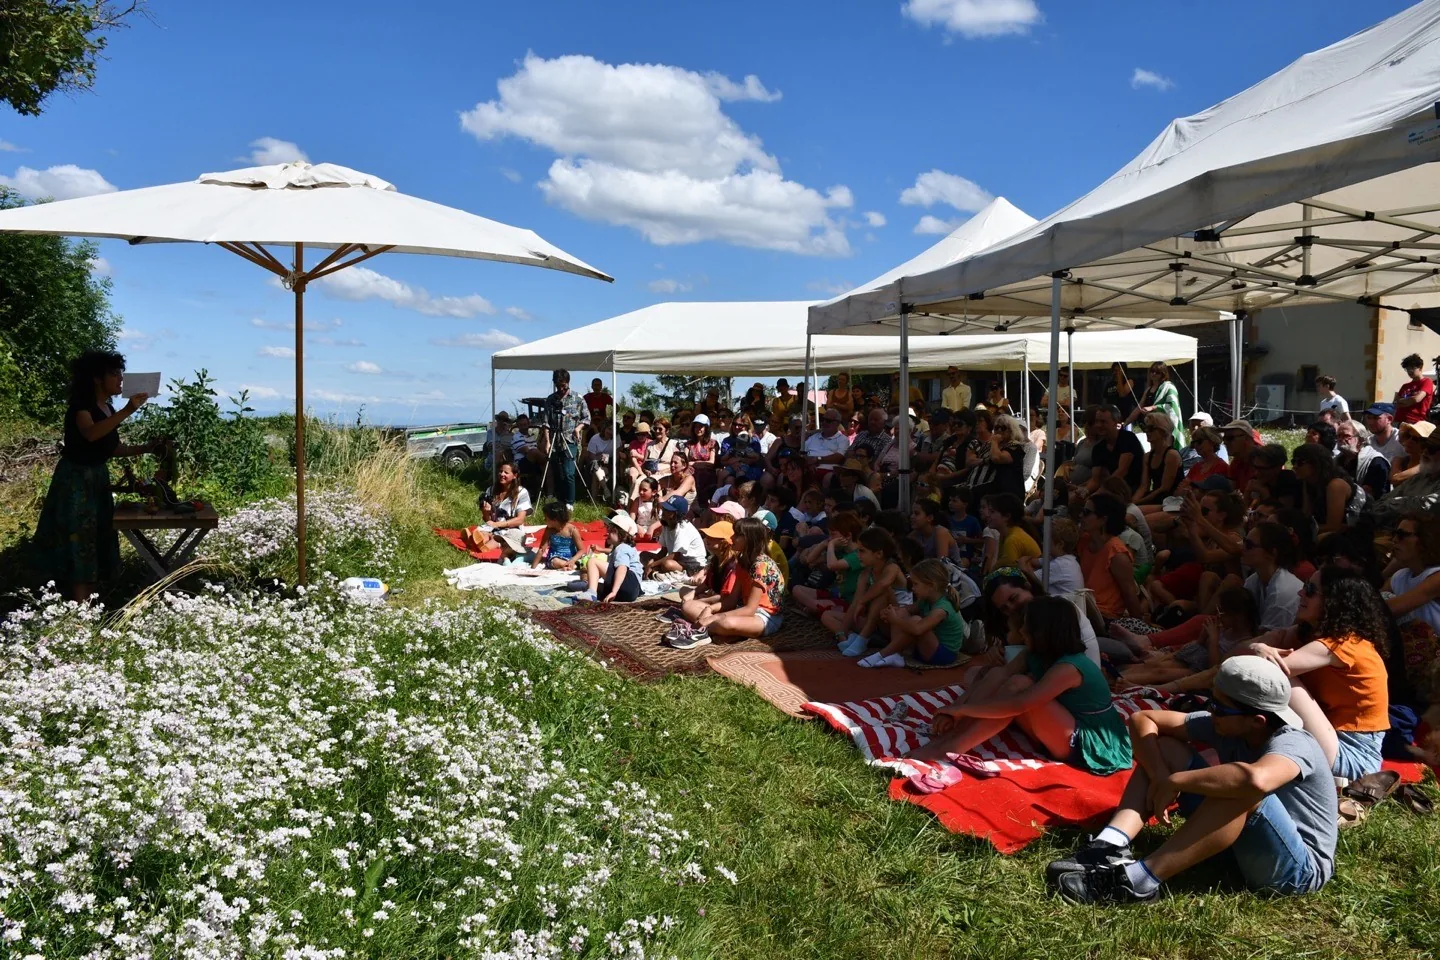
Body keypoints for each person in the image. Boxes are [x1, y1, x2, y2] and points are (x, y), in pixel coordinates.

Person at [1048, 656, 1337, 904]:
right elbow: (1143, 720)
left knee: (1241, 786)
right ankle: (1110, 845)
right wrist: (1160, 775)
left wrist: (1175, 781)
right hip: (1243, 850)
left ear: (1257, 721)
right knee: (1165, 748)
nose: (1211, 712)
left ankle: (1138, 882)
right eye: (1211, 701)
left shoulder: (1295, 744)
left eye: (1219, 708)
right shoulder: (1230, 725)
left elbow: (1256, 780)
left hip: (1297, 872)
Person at [909, 596, 1132, 774]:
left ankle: (950, 749)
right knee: (1004, 677)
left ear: (1043, 632)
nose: (1022, 631)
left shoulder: (1070, 667)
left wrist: (962, 710)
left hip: (1090, 742)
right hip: (1059, 726)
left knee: (1019, 687)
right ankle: (950, 739)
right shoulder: (1034, 654)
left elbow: (1019, 704)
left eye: (1026, 626)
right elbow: (999, 675)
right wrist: (954, 712)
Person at [34, 350, 162, 600]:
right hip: (76, 481)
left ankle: (89, 601)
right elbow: (92, 434)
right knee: (79, 538)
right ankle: (79, 606)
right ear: (96, 378)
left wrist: (148, 448)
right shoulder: (81, 408)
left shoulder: (107, 408)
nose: (120, 379)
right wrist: (128, 410)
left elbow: (112, 448)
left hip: (97, 479)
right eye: (114, 374)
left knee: (96, 535)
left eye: (121, 374)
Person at [1247, 566, 1390, 779]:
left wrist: (1259, 649)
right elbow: (1236, 655)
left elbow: (1263, 670)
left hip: (1353, 756)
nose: (1300, 593)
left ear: (1334, 601)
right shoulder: (1310, 635)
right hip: (1329, 737)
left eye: (1311, 590)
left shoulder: (1342, 644)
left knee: (1281, 676)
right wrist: (1261, 644)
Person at [869, 559, 968, 668]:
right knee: (901, 613)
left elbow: (918, 629)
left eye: (916, 584)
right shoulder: (925, 600)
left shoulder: (942, 608)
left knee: (916, 621)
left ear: (931, 585)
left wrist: (895, 620)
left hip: (943, 654)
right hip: (927, 647)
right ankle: (896, 654)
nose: (913, 588)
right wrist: (890, 612)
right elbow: (906, 610)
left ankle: (884, 653)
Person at [825, 526, 908, 655]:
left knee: (883, 592)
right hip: (878, 623)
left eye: (862, 551)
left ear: (879, 554)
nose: (858, 555)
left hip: (898, 625)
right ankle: (851, 637)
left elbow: (882, 584)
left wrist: (862, 602)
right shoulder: (865, 573)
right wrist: (841, 633)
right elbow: (855, 602)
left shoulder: (892, 567)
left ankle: (862, 639)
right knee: (828, 615)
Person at [1078, 492, 1144, 621]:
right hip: (1083, 608)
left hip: (1104, 617)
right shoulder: (1084, 541)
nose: (1081, 516)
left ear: (1103, 519)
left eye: (1086, 512)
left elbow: (1129, 594)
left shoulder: (1117, 554)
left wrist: (1139, 625)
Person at [1292, 442, 1362, 535]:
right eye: (1293, 462)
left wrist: (1299, 530)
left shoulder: (1335, 485)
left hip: (1356, 533)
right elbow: (1307, 516)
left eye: (1300, 462)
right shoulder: (1308, 482)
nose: (1295, 466)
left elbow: (1333, 527)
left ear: (1316, 464)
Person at [579, 511, 645, 603]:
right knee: (595, 586)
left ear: (622, 534)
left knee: (592, 561)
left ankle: (591, 593)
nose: (607, 533)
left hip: (628, 583)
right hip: (632, 590)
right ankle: (589, 588)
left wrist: (614, 591)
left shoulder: (622, 548)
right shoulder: (625, 548)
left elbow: (622, 568)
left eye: (611, 531)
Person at [471, 460, 532, 558]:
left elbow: (520, 520)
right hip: (493, 527)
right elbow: (487, 520)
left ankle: (489, 543)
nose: (502, 474)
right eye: (500, 471)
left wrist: (497, 524)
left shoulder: (521, 493)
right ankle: (485, 538)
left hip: (511, 530)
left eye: (506, 472)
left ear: (515, 475)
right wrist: (485, 512)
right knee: (480, 534)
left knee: (491, 542)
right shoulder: (491, 490)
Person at [1018, 516, 1085, 597]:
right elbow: (1034, 562)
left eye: (1047, 540)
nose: (1043, 542)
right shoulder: (1059, 558)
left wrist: (1023, 562)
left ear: (1060, 544)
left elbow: (1026, 574)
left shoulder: (1061, 565)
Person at [643, 496, 707, 579]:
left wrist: (652, 565)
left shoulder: (683, 528)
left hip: (693, 565)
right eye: (664, 508)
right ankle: (655, 571)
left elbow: (675, 556)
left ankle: (658, 572)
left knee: (667, 564)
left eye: (667, 510)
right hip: (678, 561)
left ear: (676, 514)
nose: (663, 511)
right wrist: (652, 562)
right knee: (644, 555)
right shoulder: (666, 525)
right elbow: (663, 551)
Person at [1085, 405, 1144, 494]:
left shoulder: (1128, 438)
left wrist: (1099, 493)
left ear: (1116, 422)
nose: (1098, 425)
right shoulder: (1098, 448)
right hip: (1110, 490)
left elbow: (1122, 472)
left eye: (1103, 422)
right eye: (1097, 421)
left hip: (1130, 490)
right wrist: (1082, 491)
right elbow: (1095, 480)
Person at [979, 492, 1041, 574]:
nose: (988, 515)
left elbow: (1006, 573)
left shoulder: (1013, 539)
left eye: (992, 512)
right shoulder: (1005, 535)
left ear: (1007, 516)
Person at [1134, 412, 1183, 506]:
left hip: (1172, 501)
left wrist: (1137, 503)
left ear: (1163, 431)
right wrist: (1132, 502)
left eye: (1150, 428)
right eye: (1145, 428)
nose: (1147, 432)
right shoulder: (1147, 456)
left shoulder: (1172, 455)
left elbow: (1164, 489)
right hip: (1156, 498)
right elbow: (1144, 486)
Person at [1336, 418, 1391, 498]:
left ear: (1360, 440)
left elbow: (1376, 495)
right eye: (1338, 436)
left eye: (1346, 436)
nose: (1340, 439)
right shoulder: (1337, 460)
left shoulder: (1375, 462)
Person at [530, 502, 583, 571]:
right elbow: (542, 549)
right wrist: (532, 568)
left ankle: (568, 566)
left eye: (546, 518)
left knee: (585, 559)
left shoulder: (572, 529)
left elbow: (581, 550)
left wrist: (573, 560)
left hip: (571, 557)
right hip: (555, 557)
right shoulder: (549, 530)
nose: (544, 520)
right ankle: (570, 566)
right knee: (555, 561)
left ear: (554, 520)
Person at [909, 498, 960, 564]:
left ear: (929, 518)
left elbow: (942, 564)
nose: (912, 516)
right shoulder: (914, 534)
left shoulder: (941, 533)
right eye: (912, 513)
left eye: (916, 514)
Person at [1221, 420, 1260, 497]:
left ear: (1246, 439)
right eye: (1224, 438)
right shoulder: (1236, 461)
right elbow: (1230, 490)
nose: (1225, 442)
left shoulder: (1263, 461)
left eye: (1229, 438)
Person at [1395, 352, 1435, 425]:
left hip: (1416, 422)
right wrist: (1410, 401)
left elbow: (1417, 399)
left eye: (1412, 368)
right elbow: (1397, 403)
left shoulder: (1427, 381)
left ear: (1420, 367)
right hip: (1401, 421)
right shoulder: (1405, 386)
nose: (1410, 371)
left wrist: (1403, 401)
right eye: (1407, 369)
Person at [1391, 421, 1433, 485]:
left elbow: (1396, 479)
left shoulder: (1431, 468)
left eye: (1415, 439)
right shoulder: (1402, 461)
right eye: (1408, 436)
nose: (1409, 441)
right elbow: (1394, 480)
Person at [582, 418, 615, 500]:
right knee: (595, 465)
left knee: (596, 473)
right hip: (593, 463)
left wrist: (605, 458)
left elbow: (612, 458)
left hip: (607, 465)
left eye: (613, 430)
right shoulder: (595, 438)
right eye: (609, 429)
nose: (610, 432)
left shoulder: (614, 441)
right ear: (604, 428)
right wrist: (599, 457)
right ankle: (605, 490)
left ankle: (594, 500)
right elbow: (591, 457)